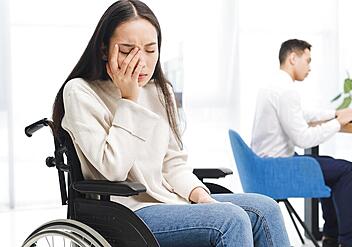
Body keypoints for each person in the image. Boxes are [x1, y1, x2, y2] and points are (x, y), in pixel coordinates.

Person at [51, 1, 290, 246]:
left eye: (150, 50)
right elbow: (113, 170)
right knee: (231, 220)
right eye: (127, 50)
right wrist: (129, 100)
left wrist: (201, 197)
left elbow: (172, 163)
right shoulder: (80, 92)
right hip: (123, 210)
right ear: (104, 50)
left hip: (168, 200)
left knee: (265, 209)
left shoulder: (158, 90)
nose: (140, 61)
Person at [251, 39, 352, 247]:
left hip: (266, 166)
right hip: (279, 169)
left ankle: (331, 236)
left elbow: (300, 115)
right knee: (346, 170)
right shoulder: (286, 90)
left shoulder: (273, 85)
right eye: (308, 60)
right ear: (293, 58)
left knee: (332, 166)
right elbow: (303, 138)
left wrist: (334, 113)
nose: (310, 67)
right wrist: (337, 122)